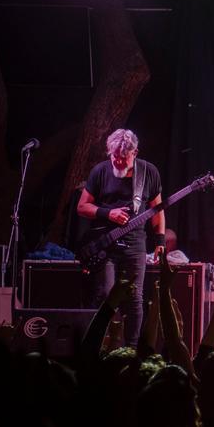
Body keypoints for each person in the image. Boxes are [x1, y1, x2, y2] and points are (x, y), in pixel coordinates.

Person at [77, 129, 164, 344]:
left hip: (135, 245)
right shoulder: (100, 171)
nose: (117, 161)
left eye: (122, 157)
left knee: (135, 299)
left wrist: (160, 241)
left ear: (135, 152)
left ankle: (131, 349)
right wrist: (108, 213)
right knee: (106, 295)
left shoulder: (148, 172)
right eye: (113, 156)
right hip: (106, 245)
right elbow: (82, 207)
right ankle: (102, 344)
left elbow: (158, 210)